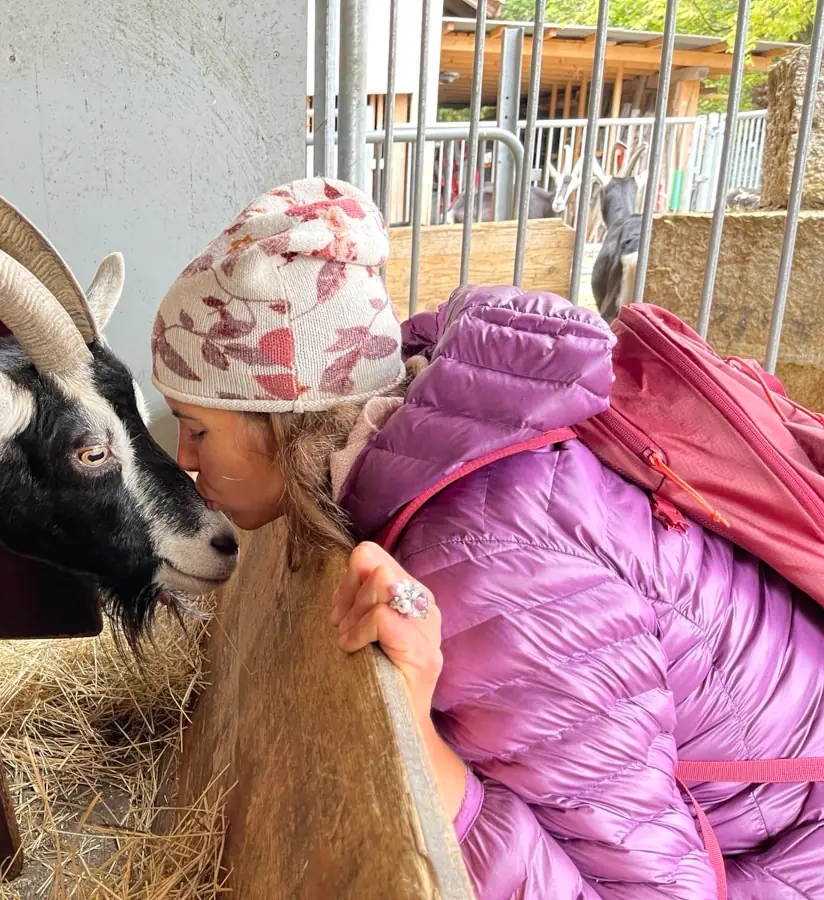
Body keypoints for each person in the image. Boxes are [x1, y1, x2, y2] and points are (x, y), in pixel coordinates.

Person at [149, 176, 824, 898]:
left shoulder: (494, 565)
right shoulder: (425, 465)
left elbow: (660, 893)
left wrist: (426, 766)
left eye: (197, 428)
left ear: (283, 422)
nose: (185, 461)